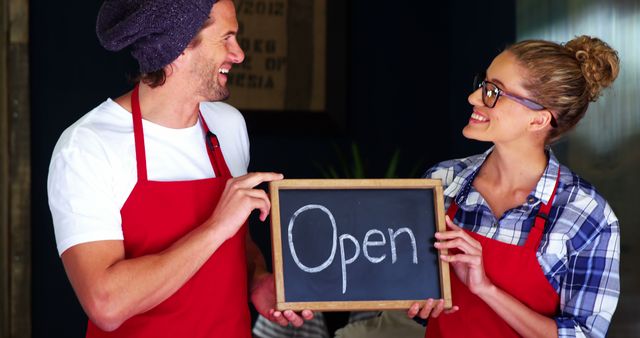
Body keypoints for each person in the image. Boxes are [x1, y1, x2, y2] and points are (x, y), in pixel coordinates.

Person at [47, 0, 312, 336]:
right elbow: (106, 304)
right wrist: (215, 226)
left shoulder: (228, 126)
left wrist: (257, 279)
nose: (239, 54)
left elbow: (235, 243)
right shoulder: (88, 147)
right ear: (180, 46)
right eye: (226, 39)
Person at [407, 35, 621, 338]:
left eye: (494, 91)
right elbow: (411, 290)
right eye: (483, 83)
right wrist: (416, 301)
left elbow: (583, 334)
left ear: (538, 120)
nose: (474, 98)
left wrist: (486, 289)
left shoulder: (586, 215)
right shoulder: (443, 182)